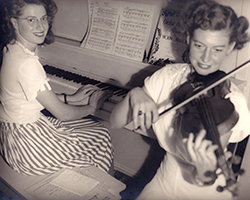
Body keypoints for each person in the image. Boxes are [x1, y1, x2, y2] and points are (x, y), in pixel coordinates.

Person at [110, 0, 250, 199]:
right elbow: (115, 122)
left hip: (203, 189)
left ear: (230, 48)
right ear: (188, 38)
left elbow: (203, 175)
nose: (206, 58)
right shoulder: (168, 76)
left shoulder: (230, 101)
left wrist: (204, 171)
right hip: (164, 178)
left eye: (217, 49)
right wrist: (135, 94)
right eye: (199, 45)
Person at [0, 0, 114, 176]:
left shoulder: (12, 48)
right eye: (31, 20)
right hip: (29, 147)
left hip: (13, 136)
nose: (40, 26)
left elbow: (27, 97)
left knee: (94, 131)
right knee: (101, 135)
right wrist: (92, 107)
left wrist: (71, 98)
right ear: (14, 22)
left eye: (43, 18)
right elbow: (64, 114)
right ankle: (104, 189)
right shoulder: (27, 62)